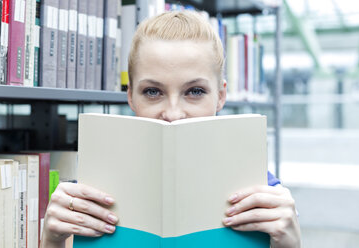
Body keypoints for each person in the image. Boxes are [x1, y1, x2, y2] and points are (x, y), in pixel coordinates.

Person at [41, 11, 301, 248]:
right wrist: (52, 240)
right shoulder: (89, 193)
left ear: (221, 96)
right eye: (152, 92)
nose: (174, 114)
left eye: (195, 91)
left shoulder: (263, 195)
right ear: (131, 97)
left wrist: (290, 245)